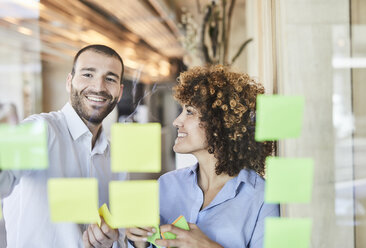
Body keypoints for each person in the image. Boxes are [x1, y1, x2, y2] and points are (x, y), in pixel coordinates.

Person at [126, 65, 280, 248]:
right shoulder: (166, 185)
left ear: (221, 123)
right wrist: (138, 242)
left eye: (189, 112)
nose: (177, 121)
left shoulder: (261, 197)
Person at [0, 44, 126, 248]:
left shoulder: (116, 158)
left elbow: (120, 235)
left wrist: (109, 241)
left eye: (110, 78)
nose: (99, 86)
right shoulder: (40, 130)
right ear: (69, 82)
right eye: (88, 74)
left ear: (119, 92)